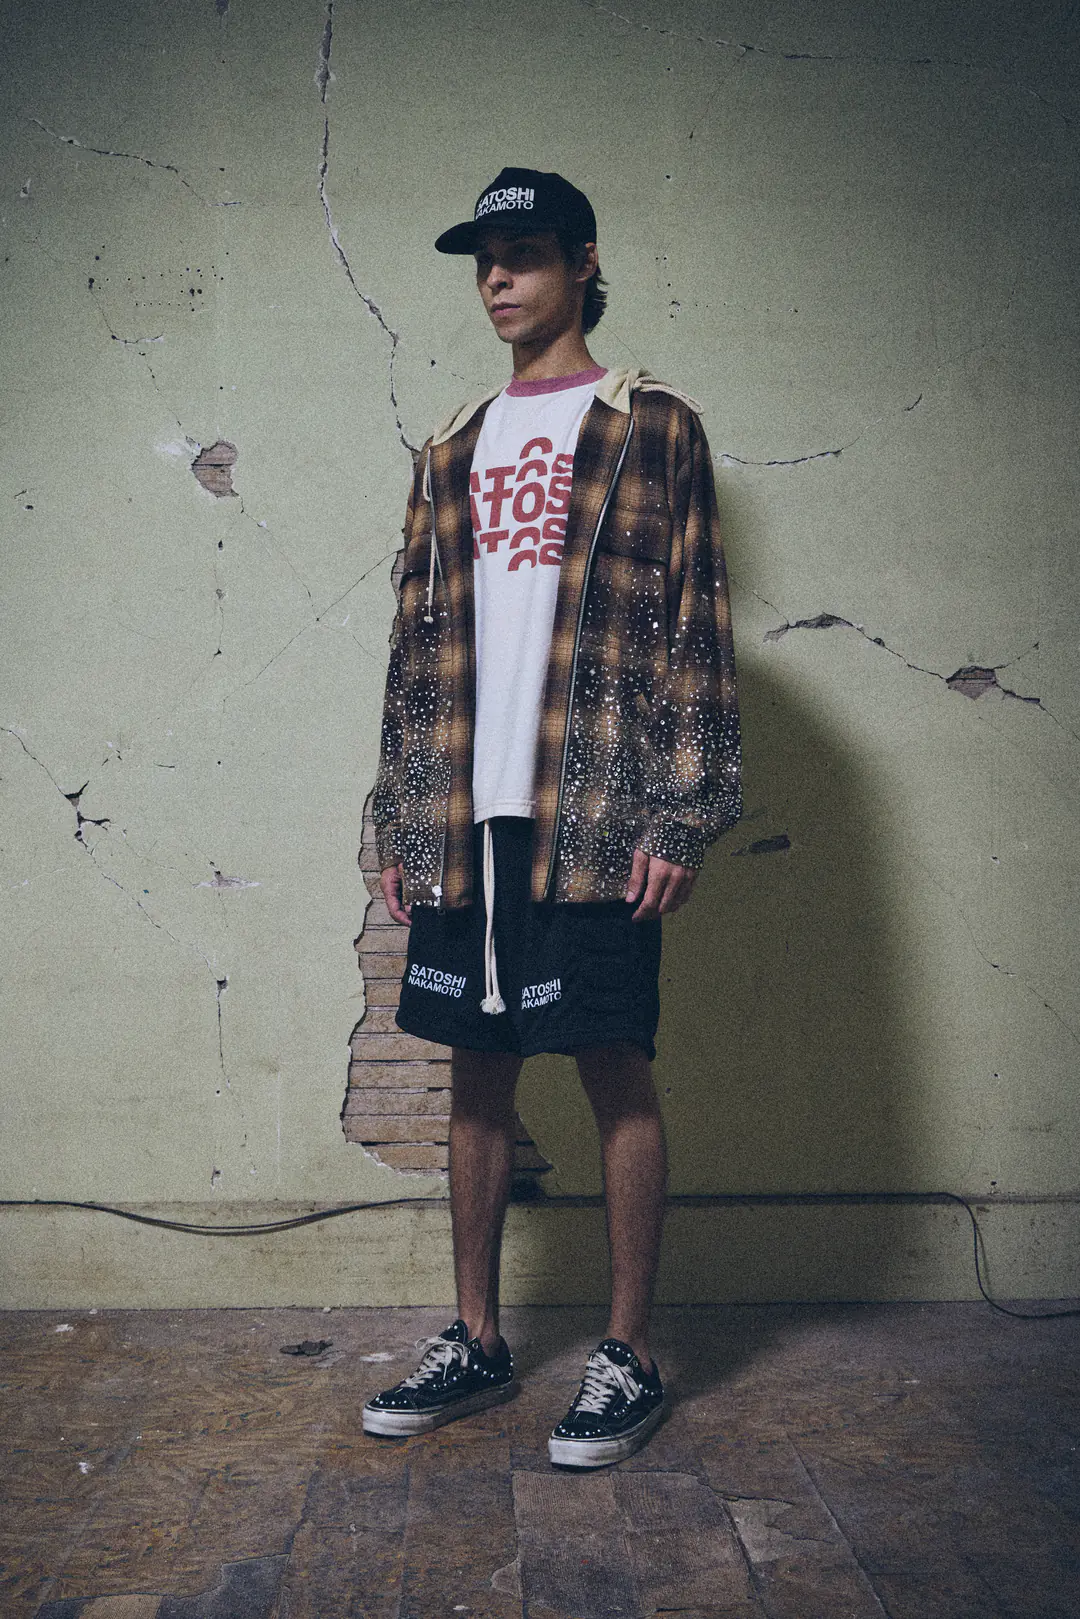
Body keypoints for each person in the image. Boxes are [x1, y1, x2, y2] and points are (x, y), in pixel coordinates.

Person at [362, 168, 741, 1468]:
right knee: (475, 1067)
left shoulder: (653, 426)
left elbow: (698, 622)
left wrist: (681, 813)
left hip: (596, 804)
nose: (496, 278)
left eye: (523, 253)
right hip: (463, 803)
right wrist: (400, 816)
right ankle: (477, 1336)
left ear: (582, 263)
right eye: (483, 258)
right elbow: (414, 646)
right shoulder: (452, 443)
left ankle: (628, 1352)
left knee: (609, 1056)